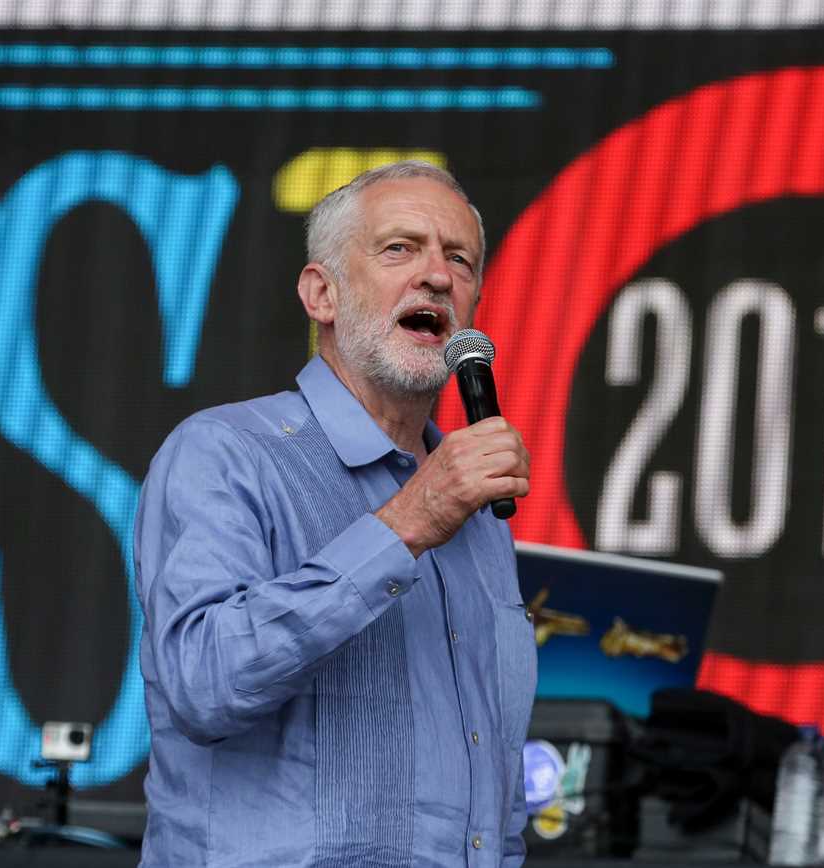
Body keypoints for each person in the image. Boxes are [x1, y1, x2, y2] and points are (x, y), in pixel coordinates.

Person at [134, 161, 536, 867]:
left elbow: (493, 780)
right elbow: (201, 685)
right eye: (399, 249)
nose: (437, 275)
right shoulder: (226, 453)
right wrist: (405, 525)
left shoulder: (476, 513)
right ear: (322, 294)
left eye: (460, 259)